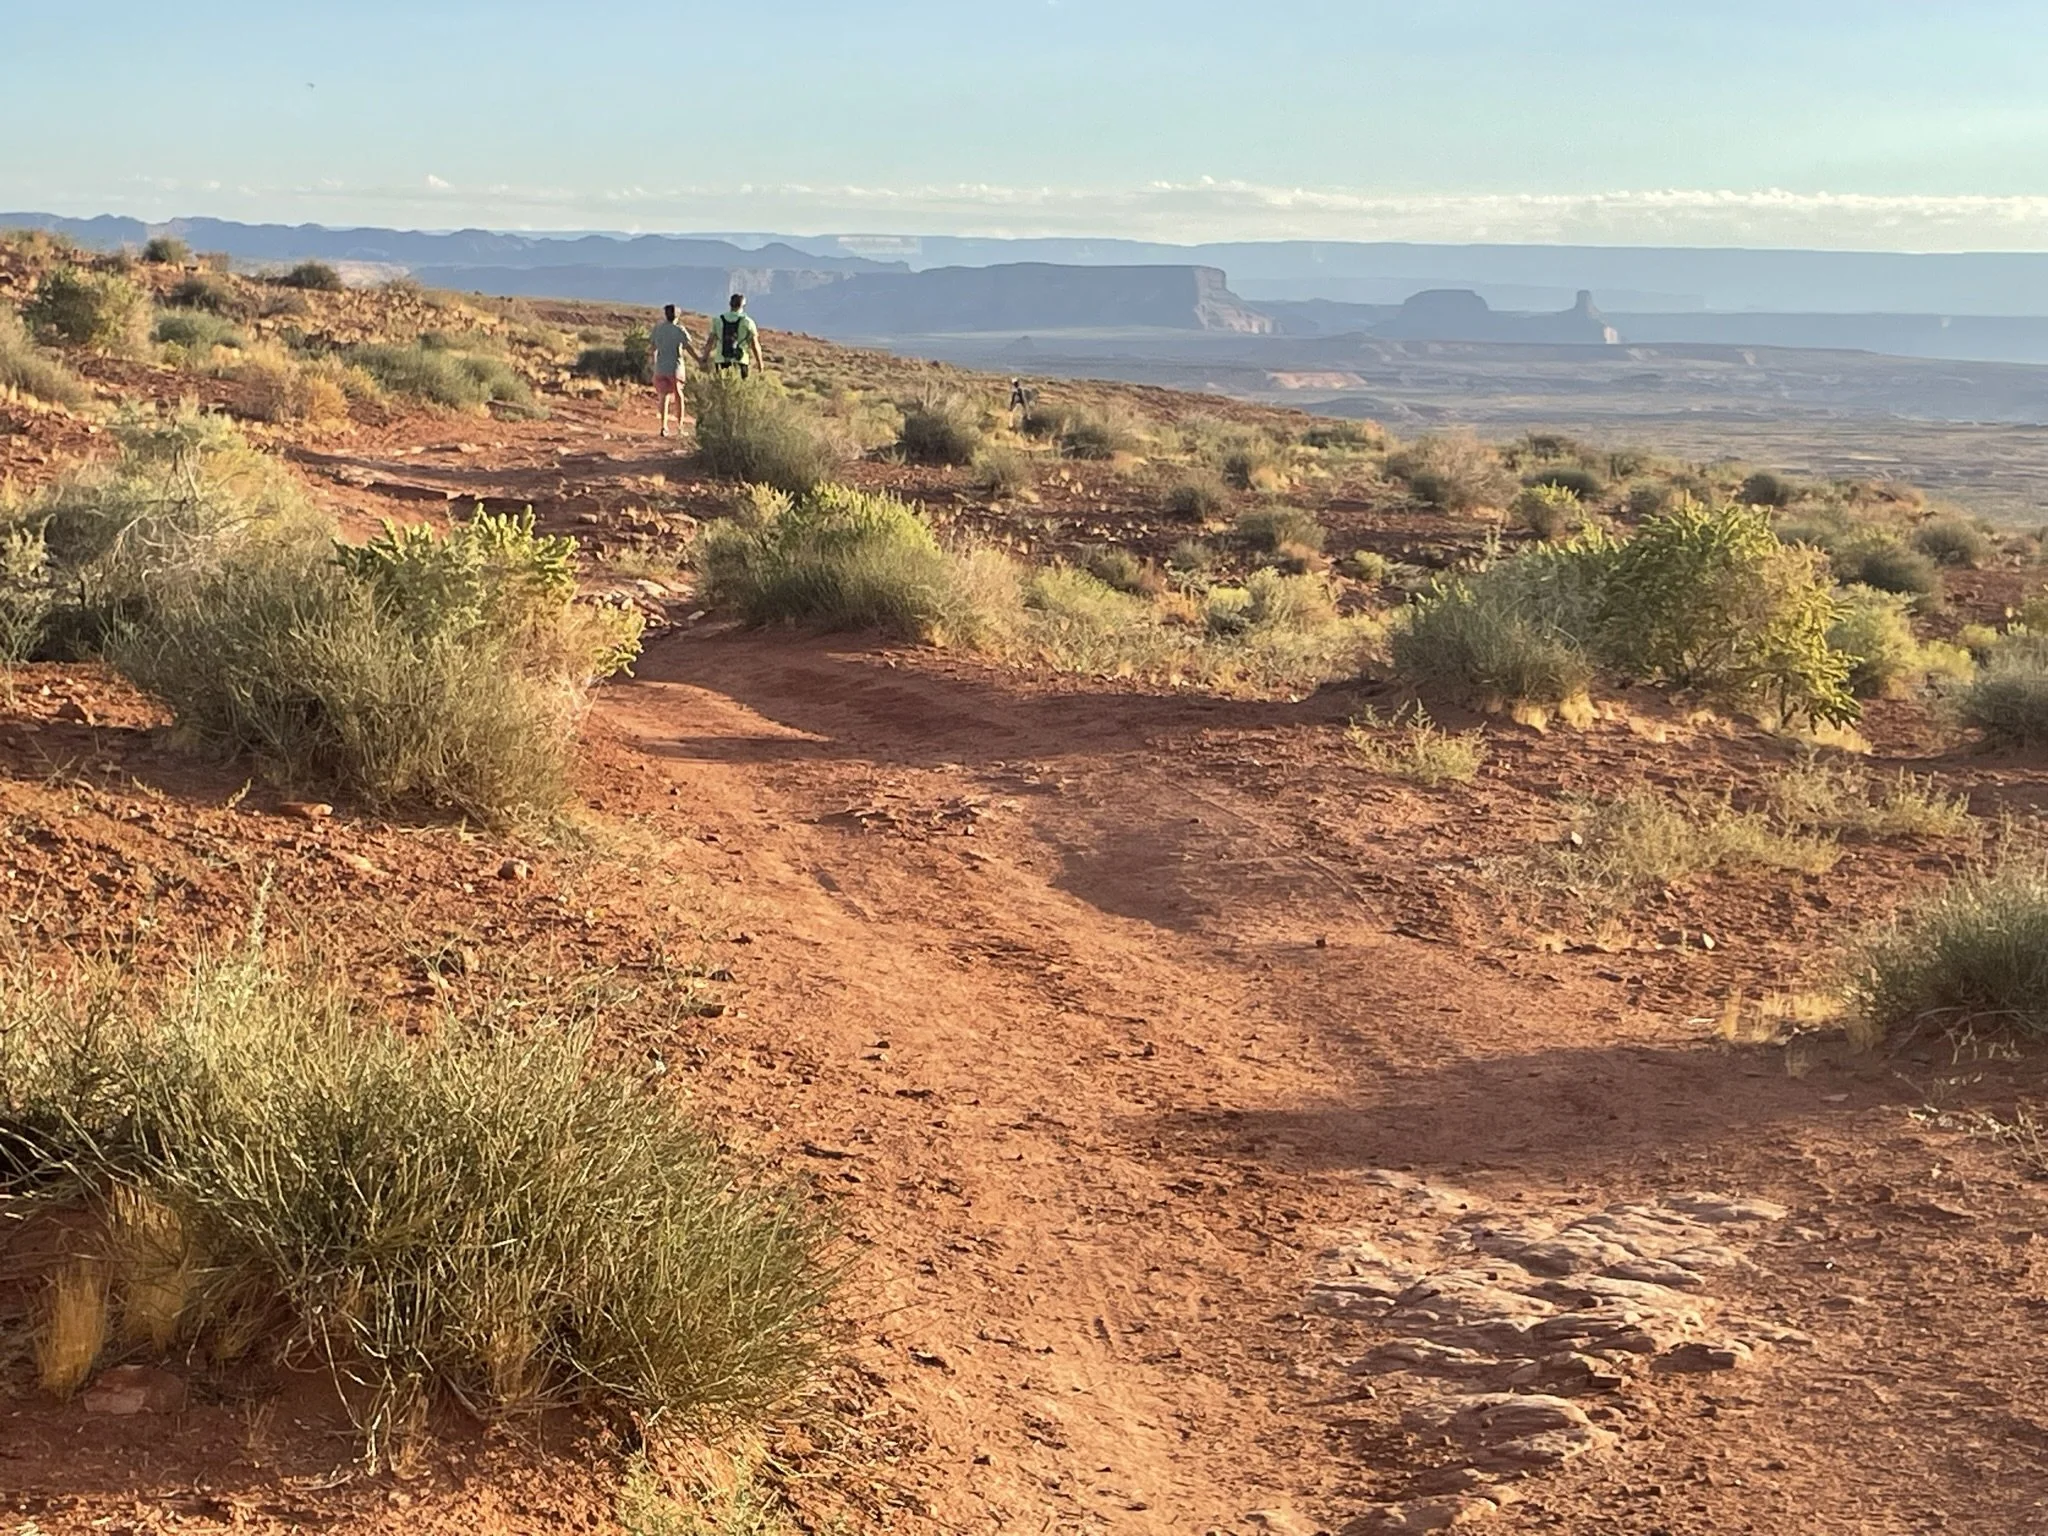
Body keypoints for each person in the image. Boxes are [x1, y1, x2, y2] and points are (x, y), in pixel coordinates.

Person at [648, 304, 692, 437]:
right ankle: (680, 427)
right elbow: (688, 346)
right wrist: (700, 359)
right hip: (675, 367)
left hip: (661, 367)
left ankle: (663, 426)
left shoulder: (658, 329)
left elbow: (652, 348)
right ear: (677, 315)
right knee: (679, 395)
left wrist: (653, 363)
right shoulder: (680, 330)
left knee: (663, 397)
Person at [702, 294, 765, 379]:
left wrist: (704, 358)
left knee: (721, 388)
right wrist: (760, 363)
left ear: (730, 304)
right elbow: (754, 345)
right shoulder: (748, 322)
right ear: (743, 305)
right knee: (739, 389)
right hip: (740, 360)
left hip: (721, 360)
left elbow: (710, 342)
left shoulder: (718, 320)